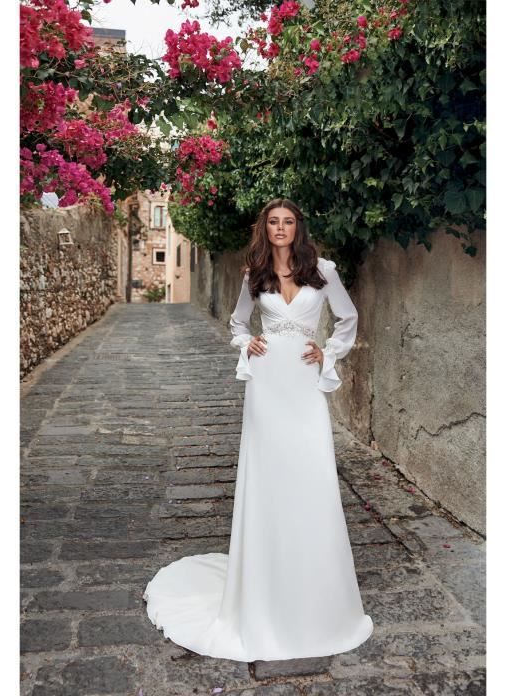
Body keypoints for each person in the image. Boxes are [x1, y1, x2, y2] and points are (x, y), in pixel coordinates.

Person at [142, 198, 374, 662]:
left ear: (298, 227)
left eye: (288, 221)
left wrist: (328, 352)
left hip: (304, 384)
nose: (281, 228)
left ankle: (315, 584)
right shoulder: (255, 273)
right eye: (273, 222)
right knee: (269, 477)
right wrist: (249, 342)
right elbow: (236, 322)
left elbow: (347, 318)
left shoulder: (323, 270)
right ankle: (265, 582)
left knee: (311, 473)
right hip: (267, 387)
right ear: (265, 228)